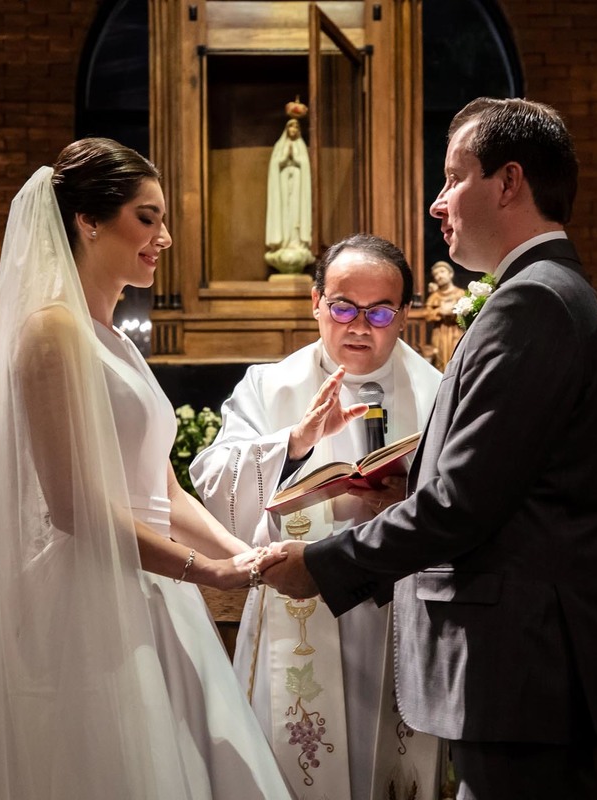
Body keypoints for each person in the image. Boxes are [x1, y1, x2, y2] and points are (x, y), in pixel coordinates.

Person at [0, 139, 292, 799]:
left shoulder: (115, 340)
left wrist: (245, 555)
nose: (163, 237)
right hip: (80, 593)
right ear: (88, 220)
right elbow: (72, 507)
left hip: (148, 584)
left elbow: (162, 487)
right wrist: (207, 571)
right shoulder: (51, 333)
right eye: (147, 217)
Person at [263, 98, 597, 799]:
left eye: (453, 177)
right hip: (522, 665)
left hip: (517, 662)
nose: (437, 205)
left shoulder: (531, 304)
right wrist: (406, 491)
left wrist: (321, 562)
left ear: (509, 182)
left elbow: (461, 507)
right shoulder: (548, 293)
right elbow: (507, 487)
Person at [189, 234, 443, 800]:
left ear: (404, 313)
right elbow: (211, 481)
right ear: (315, 303)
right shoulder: (269, 384)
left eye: (380, 311)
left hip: (396, 611)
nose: (360, 326)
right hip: (299, 604)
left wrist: (412, 495)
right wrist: (295, 443)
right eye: (343, 307)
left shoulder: (437, 391)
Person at [264, 117, 315, 274]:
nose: (293, 131)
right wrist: (285, 158)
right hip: (283, 189)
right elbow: (275, 164)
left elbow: (305, 165)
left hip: (298, 190)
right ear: (287, 130)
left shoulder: (301, 148)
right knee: (284, 216)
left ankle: (296, 243)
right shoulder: (279, 147)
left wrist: (297, 160)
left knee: (296, 217)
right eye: (290, 128)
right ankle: (284, 243)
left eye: (295, 128)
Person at [423, 260, 467, 368]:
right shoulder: (434, 297)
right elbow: (427, 314)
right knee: (440, 361)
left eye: (442, 272)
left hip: (456, 332)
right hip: (440, 334)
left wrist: (453, 312)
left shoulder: (461, 293)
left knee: (458, 358)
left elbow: (468, 312)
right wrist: (439, 311)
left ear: (450, 274)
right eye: (436, 274)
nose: (439, 276)